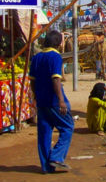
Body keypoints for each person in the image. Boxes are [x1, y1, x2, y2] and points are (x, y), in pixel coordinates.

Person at [29, 29, 74, 173]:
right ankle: (56, 157)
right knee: (67, 127)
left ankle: (46, 166)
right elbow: (56, 79)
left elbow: (32, 81)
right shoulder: (55, 57)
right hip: (54, 99)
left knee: (44, 133)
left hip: (42, 100)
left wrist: (36, 96)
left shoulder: (36, 57)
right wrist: (61, 100)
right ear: (59, 43)